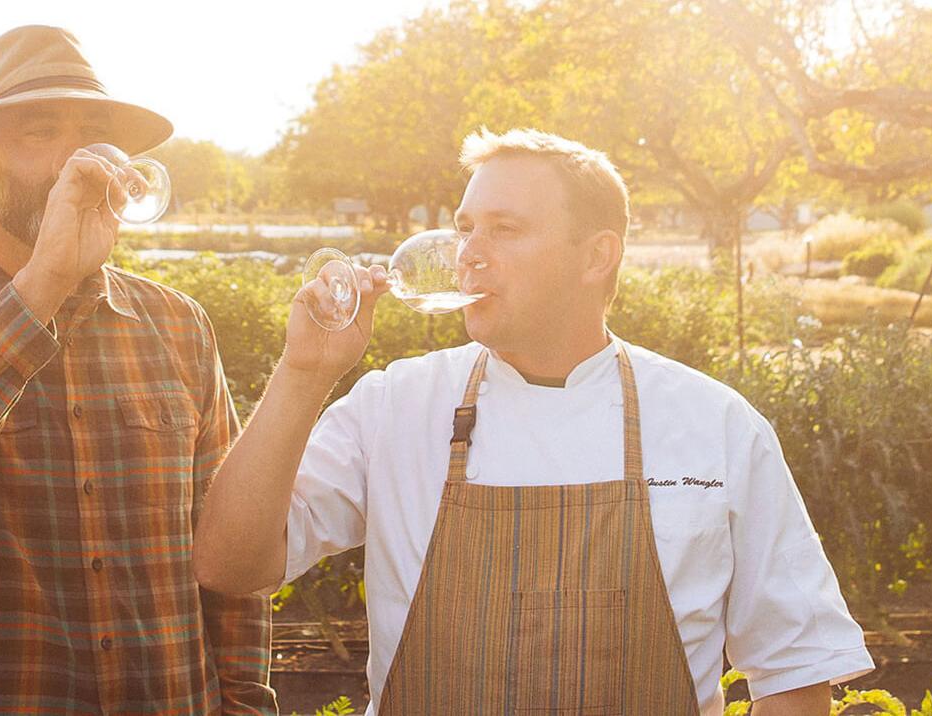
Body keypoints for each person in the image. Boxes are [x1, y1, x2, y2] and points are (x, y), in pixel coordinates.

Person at [194, 129, 873, 715]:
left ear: (596, 255)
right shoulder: (395, 405)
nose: (468, 252)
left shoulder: (716, 425)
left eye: (505, 228)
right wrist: (305, 372)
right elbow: (231, 562)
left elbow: (797, 670)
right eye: (465, 228)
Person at [0, 26, 273, 714]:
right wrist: (41, 286)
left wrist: (243, 705)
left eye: (94, 137)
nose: (78, 163)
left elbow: (227, 551)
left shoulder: (179, 324)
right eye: (41, 133)